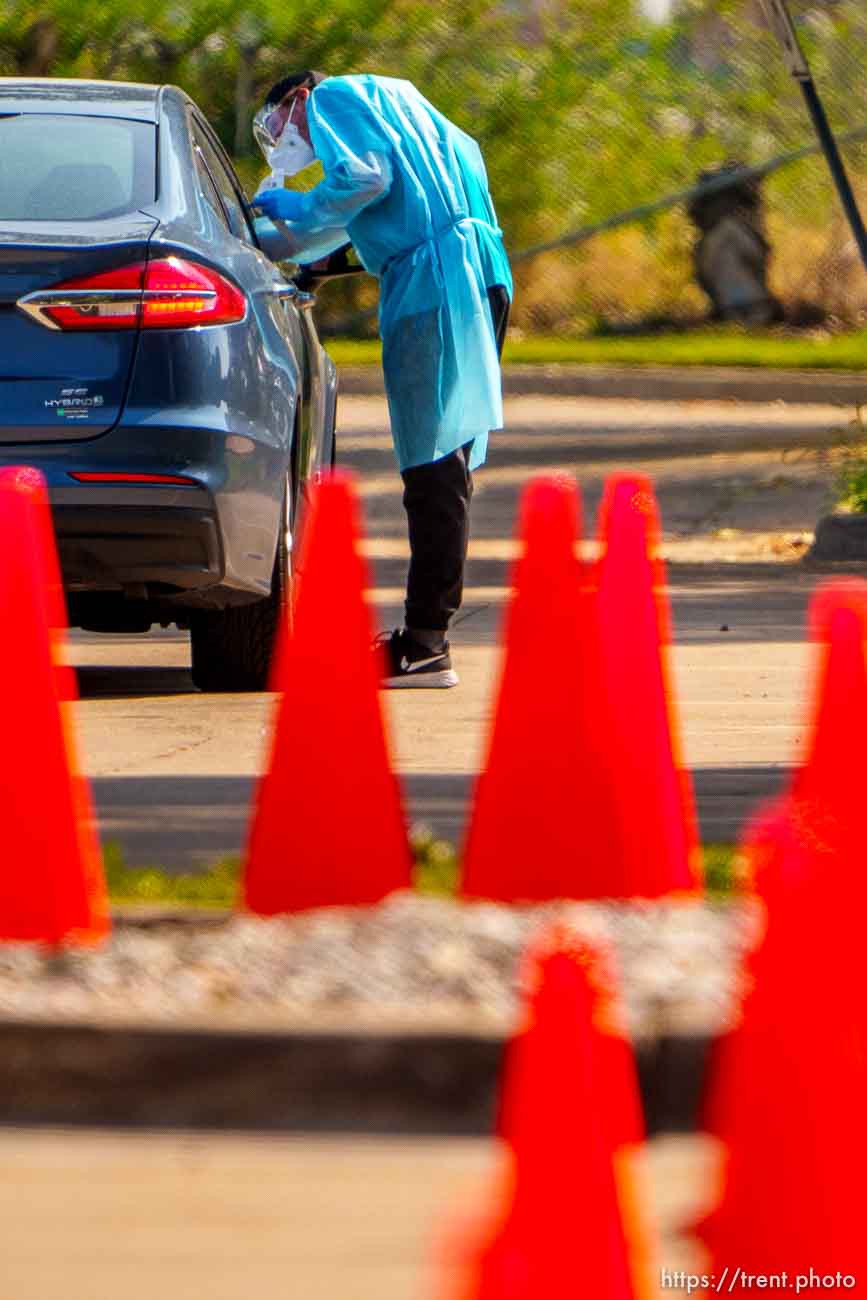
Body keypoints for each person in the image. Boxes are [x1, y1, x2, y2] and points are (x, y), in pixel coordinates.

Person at [252, 71, 512, 688]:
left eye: (276, 126)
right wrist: (275, 237)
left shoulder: (334, 98)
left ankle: (425, 645)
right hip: (478, 270)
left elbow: (364, 180)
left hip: (434, 281)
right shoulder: (400, 99)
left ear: (296, 99)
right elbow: (356, 212)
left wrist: (296, 207)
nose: (287, 141)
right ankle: (426, 636)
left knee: (431, 468)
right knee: (445, 462)